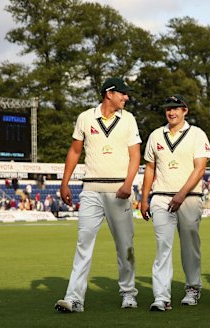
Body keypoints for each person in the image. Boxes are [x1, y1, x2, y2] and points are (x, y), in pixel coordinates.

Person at [55, 77, 141, 313]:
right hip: (90, 189)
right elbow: (74, 150)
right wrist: (64, 183)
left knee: (125, 246)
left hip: (119, 191)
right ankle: (74, 298)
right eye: (123, 93)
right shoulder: (85, 117)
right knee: (83, 244)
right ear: (109, 93)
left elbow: (135, 155)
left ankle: (128, 294)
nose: (126, 97)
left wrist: (128, 183)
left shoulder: (129, 119)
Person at [140, 94, 210, 311]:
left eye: (176, 108)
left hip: (189, 198)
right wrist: (144, 199)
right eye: (168, 108)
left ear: (185, 111)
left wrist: (181, 194)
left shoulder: (197, 134)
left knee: (190, 246)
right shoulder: (156, 135)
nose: (171, 112)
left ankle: (192, 288)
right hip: (161, 196)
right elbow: (150, 169)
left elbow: (200, 168)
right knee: (163, 246)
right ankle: (162, 296)